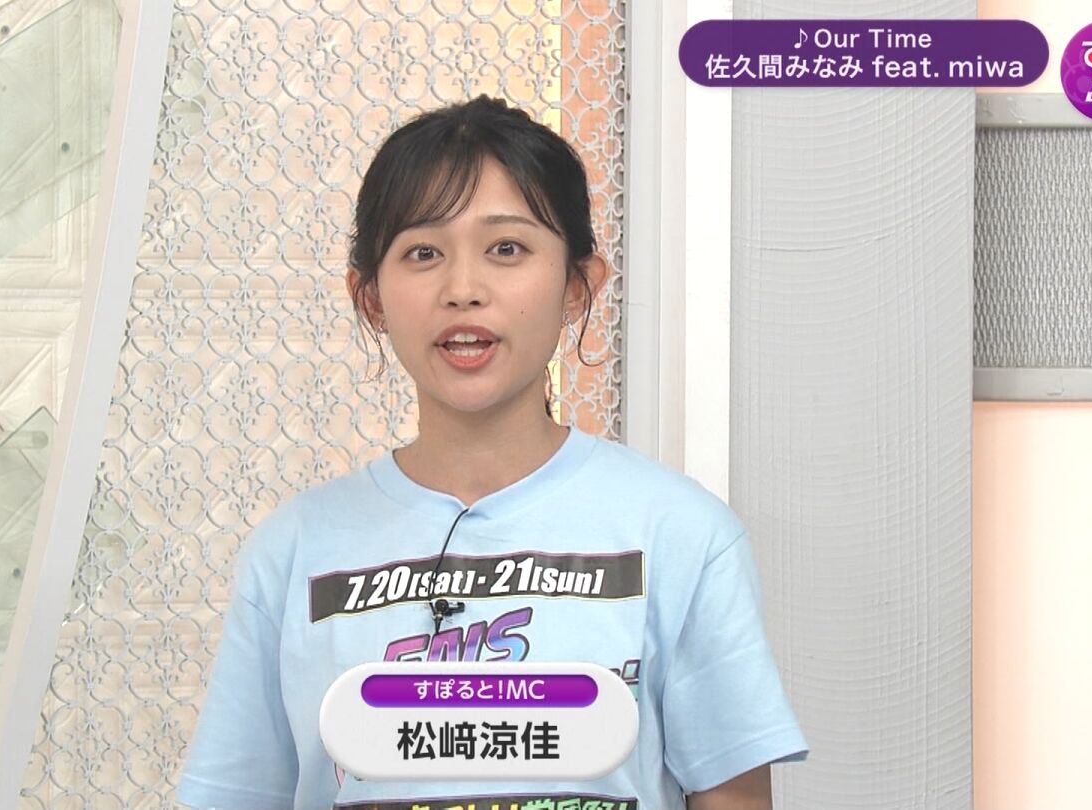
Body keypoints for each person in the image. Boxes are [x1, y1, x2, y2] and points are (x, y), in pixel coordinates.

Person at [177, 95, 808, 810]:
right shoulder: (294, 552)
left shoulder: (681, 537)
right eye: (423, 253)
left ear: (577, 286)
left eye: (507, 248)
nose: (463, 290)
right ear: (371, 297)